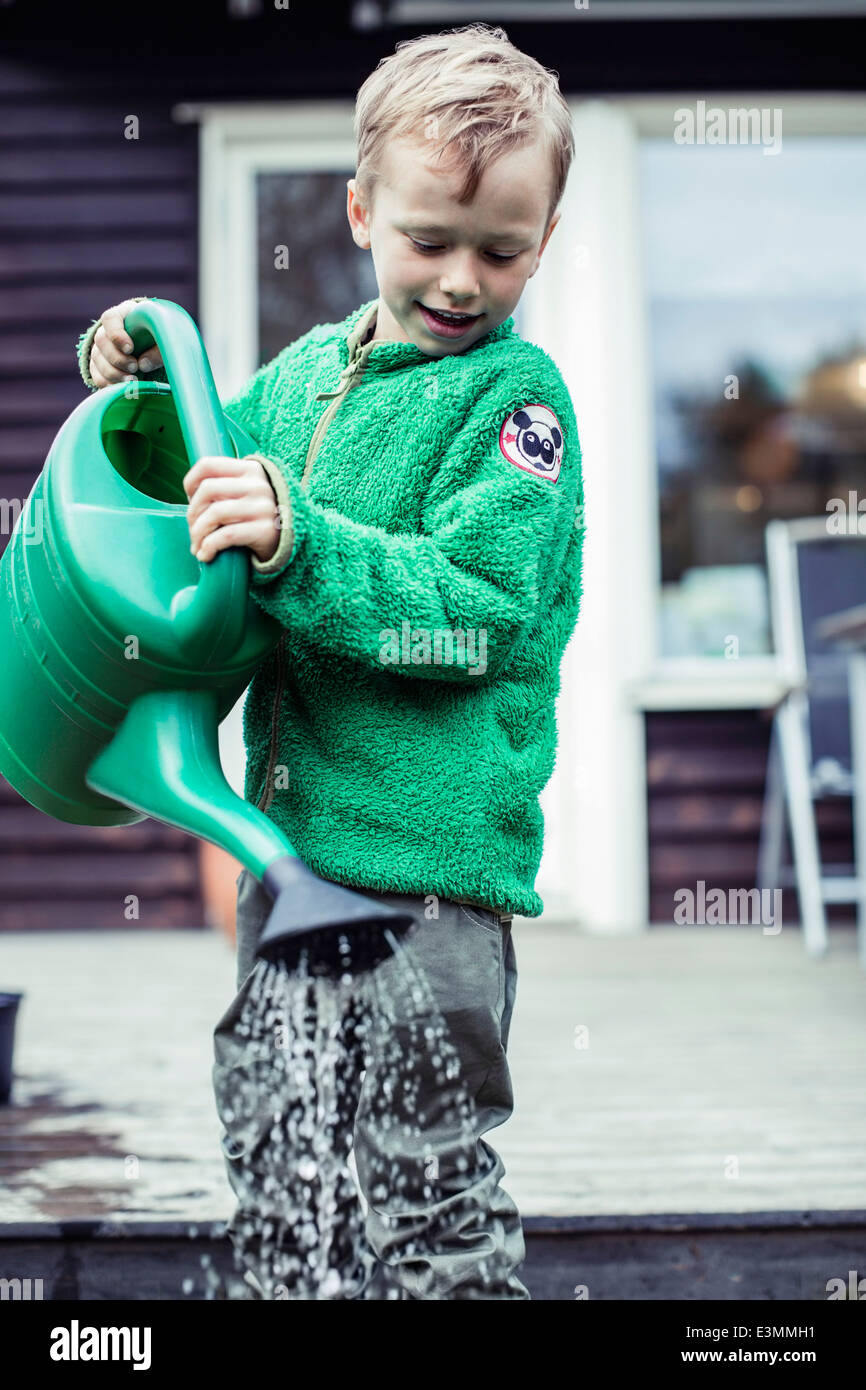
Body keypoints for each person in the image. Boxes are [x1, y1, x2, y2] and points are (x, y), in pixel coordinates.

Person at [75, 21, 586, 1300]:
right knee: (277, 1146)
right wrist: (137, 389)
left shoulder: (514, 411)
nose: (461, 279)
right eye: (429, 239)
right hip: (288, 860)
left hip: (427, 884)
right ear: (359, 212)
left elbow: (475, 617)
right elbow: (197, 468)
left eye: (500, 250)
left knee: (423, 1178)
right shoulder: (305, 379)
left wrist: (297, 539)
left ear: (542, 243)